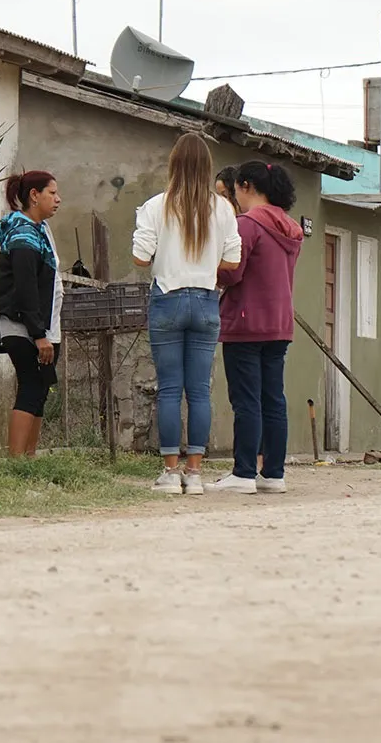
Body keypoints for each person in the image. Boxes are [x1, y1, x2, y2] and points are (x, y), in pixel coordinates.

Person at [133, 133, 242, 495]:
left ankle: (170, 472)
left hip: (167, 297)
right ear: (208, 168)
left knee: (168, 389)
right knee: (198, 391)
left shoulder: (156, 206)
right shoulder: (223, 209)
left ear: (174, 165)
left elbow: (139, 257)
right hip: (207, 300)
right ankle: (194, 473)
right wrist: (205, 262)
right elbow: (233, 260)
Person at [209, 161, 303, 495]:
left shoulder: (247, 225)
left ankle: (244, 472)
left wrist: (209, 268)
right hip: (279, 323)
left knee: (246, 400)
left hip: (246, 322)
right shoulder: (290, 227)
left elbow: (233, 272)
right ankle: (273, 473)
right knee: (273, 399)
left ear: (246, 186)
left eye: (236, 188)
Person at [0, 170, 64, 457]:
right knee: (31, 385)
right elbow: (26, 287)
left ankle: (30, 457)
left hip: (41, 326)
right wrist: (38, 334)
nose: (58, 199)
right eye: (52, 193)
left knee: (40, 387)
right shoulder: (23, 234)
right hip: (23, 327)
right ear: (34, 195)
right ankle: (17, 459)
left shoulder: (39, 230)